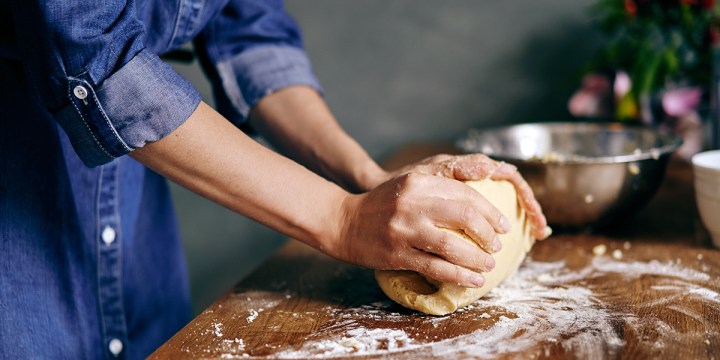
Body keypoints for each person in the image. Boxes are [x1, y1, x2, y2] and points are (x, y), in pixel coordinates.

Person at [0, 0, 550, 358]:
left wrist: (368, 178)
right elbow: (91, 49)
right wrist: (342, 217)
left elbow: (251, 30)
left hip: (131, 202)